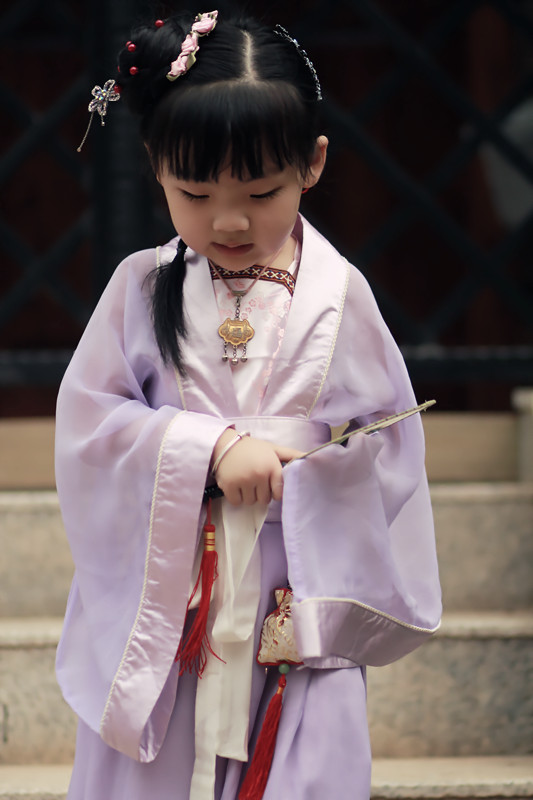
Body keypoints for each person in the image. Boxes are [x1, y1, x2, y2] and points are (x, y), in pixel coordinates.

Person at [55, 9, 441, 800]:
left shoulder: (341, 298)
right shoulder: (138, 288)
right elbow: (91, 425)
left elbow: (387, 446)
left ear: (313, 164)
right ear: (155, 167)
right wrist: (210, 449)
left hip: (288, 581)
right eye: (193, 192)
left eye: (260, 191)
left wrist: (313, 469)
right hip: (175, 591)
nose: (227, 220)